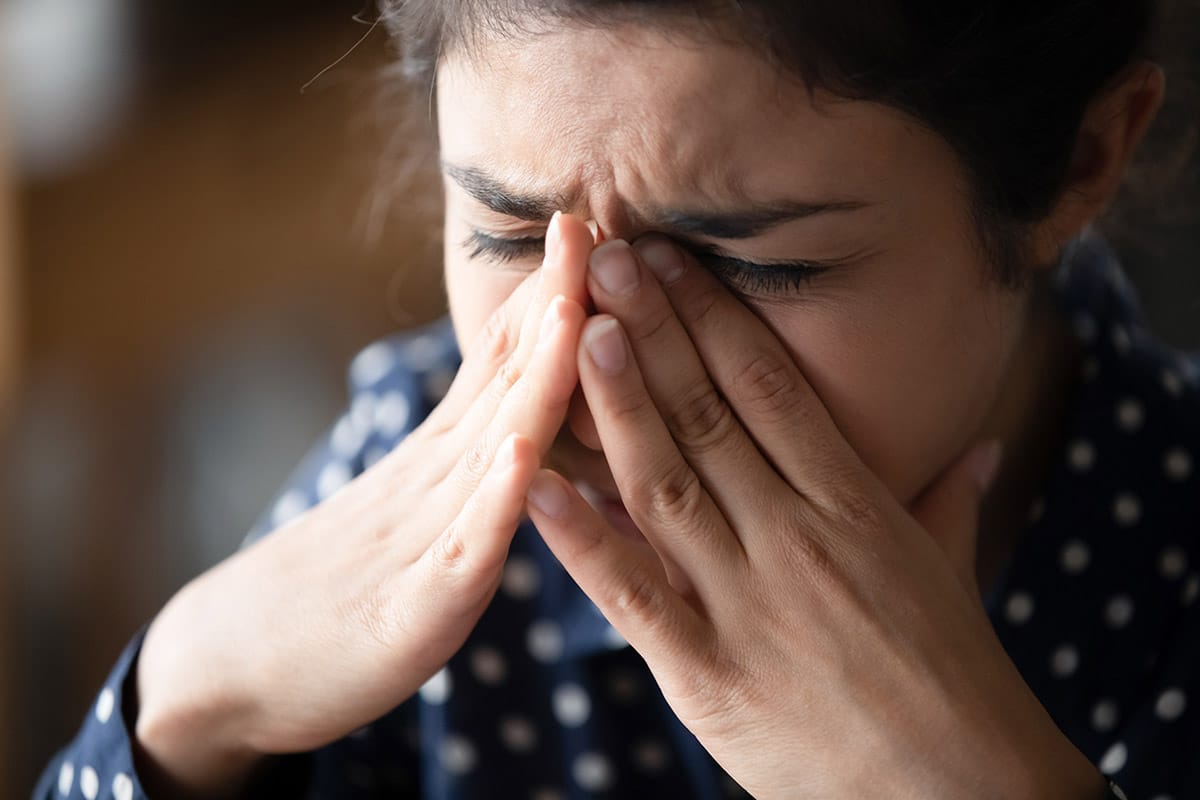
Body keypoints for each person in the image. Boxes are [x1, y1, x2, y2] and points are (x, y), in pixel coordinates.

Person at [34, 1, 1199, 798]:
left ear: (1082, 161)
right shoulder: (405, 480)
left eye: (757, 265)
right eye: (504, 231)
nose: (599, 365)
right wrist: (189, 692)